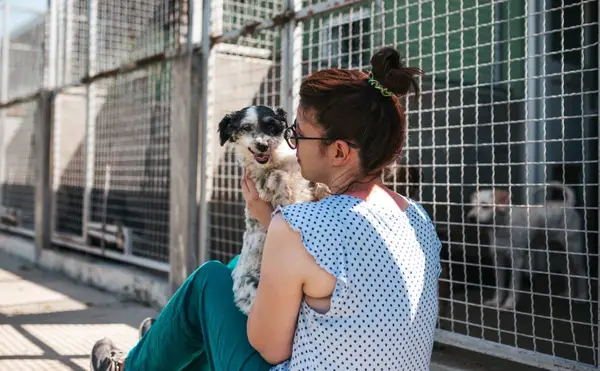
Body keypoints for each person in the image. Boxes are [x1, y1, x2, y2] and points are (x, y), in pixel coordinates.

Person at [90, 46, 442, 371]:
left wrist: (273, 225)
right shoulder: (417, 217)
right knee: (231, 274)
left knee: (209, 282)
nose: (289, 143)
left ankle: (140, 362)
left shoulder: (299, 224)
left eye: (299, 135)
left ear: (338, 152)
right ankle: (171, 342)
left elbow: (271, 348)